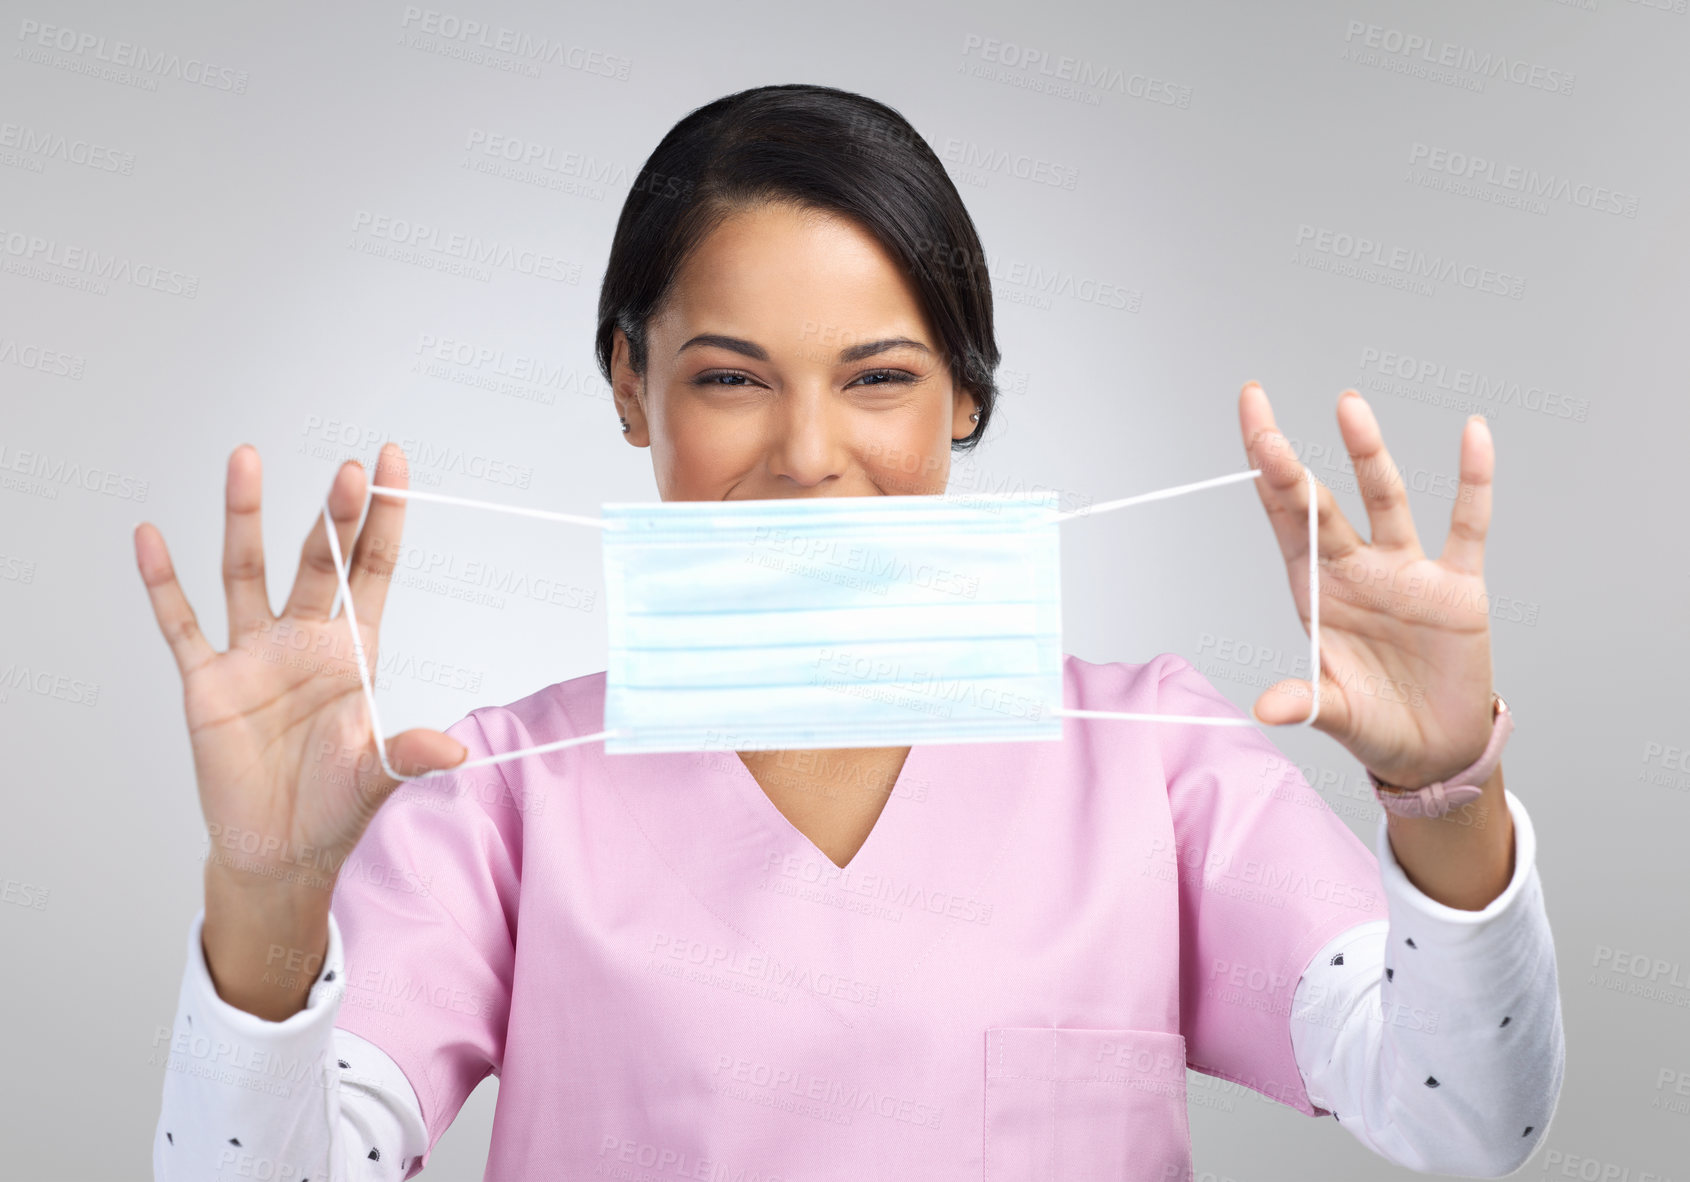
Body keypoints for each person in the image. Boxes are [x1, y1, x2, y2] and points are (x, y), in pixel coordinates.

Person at [141, 83, 1563, 1180]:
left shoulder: (1159, 763)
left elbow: (1462, 1117)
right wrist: (265, 896)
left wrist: (1447, 790)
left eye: (877, 375)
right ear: (631, 388)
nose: (808, 453)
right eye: (729, 377)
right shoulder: (495, 798)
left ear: (964, 396)